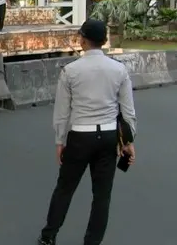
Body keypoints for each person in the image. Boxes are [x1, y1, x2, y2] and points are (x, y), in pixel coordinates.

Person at [37, 19, 137, 245]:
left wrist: (60, 141)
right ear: (104, 41)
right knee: (102, 196)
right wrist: (128, 142)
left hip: (80, 136)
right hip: (109, 137)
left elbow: (62, 112)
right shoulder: (119, 70)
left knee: (65, 189)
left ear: (83, 40)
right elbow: (128, 111)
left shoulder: (70, 71)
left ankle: (49, 236)